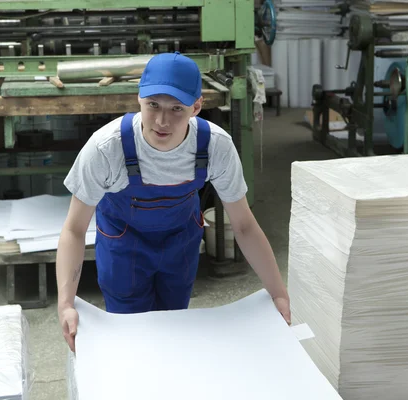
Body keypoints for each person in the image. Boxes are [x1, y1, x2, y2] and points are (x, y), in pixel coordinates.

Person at [56, 52, 290, 352]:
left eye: (176, 108)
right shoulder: (106, 148)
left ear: (196, 107)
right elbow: (74, 230)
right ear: (138, 98)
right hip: (124, 248)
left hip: (179, 245)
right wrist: (65, 304)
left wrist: (278, 293)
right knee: (131, 340)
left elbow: (243, 226)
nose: (162, 121)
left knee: (174, 329)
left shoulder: (214, 146)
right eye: (153, 105)